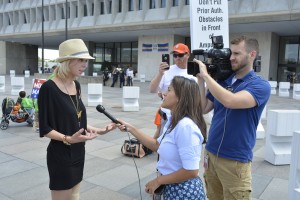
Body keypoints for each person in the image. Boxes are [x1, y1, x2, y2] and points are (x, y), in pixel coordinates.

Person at [38, 39, 117, 200]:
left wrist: (99, 130)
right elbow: (45, 128)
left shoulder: (76, 85)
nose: (85, 64)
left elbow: (76, 119)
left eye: (86, 61)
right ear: (67, 61)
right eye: (81, 60)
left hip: (78, 151)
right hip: (60, 154)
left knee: (75, 196)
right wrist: (68, 139)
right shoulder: (49, 88)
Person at [194, 35, 271, 200]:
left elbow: (231, 101)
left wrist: (207, 76)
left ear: (252, 55)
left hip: (235, 160)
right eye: (231, 53)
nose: (231, 58)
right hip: (212, 153)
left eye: (237, 53)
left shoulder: (259, 85)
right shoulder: (224, 81)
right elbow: (203, 108)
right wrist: (200, 81)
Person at [118, 76, 207, 199]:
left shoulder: (186, 127)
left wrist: (158, 181)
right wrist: (131, 128)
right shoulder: (174, 120)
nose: (163, 93)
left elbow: (191, 171)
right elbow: (157, 146)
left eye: (169, 90)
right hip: (171, 187)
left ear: (180, 97)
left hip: (183, 193)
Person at [149, 43, 196, 139]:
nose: (177, 58)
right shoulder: (167, 70)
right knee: (163, 143)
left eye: (180, 55)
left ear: (188, 55)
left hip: (188, 116)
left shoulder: (195, 71)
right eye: (175, 55)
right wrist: (160, 74)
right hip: (167, 115)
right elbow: (152, 89)